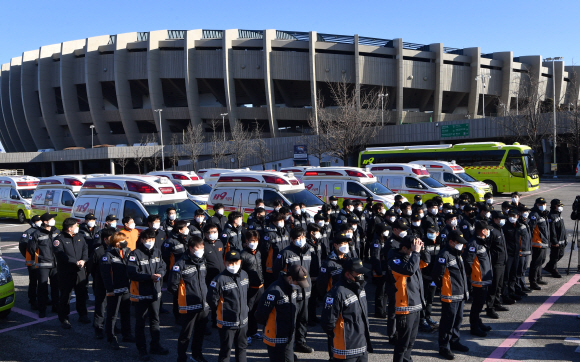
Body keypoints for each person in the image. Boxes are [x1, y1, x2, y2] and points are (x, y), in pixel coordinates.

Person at [127, 229, 169, 361]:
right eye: (147, 240)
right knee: (140, 323)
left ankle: (155, 345)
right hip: (140, 294)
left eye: (152, 240)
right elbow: (132, 274)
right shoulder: (135, 254)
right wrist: (149, 277)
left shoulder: (157, 252)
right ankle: (142, 349)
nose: (150, 242)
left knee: (155, 320)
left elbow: (163, 266)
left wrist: (160, 274)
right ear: (142, 240)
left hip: (155, 292)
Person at [321, 258, 373, 362]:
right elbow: (328, 323)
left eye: (362, 273)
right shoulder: (337, 293)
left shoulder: (360, 288)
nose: (361, 276)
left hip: (362, 346)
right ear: (348, 274)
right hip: (345, 350)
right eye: (358, 273)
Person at [168, 235, 210, 362]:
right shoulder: (180, 264)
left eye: (202, 247)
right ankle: (181, 357)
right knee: (186, 335)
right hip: (188, 306)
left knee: (200, 333)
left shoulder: (202, 261)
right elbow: (172, 286)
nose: (201, 250)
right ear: (191, 248)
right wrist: (183, 297)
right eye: (199, 248)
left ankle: (197, 354)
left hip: (203, 305)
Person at [274, 227, 314, 353]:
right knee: (291, 321)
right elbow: (277, 272)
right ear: (292, 239)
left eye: (303, 237)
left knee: (303, 320)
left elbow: (313, 270)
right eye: (298, 238)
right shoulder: (285, 253)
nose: (301, 240)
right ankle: (289, 347)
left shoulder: (309, 251)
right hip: (291, 294)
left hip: (306, 292)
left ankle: (300, 342)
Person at [432, 230, 470, 360]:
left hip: (460, 293)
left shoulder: (457, 253)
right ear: (451, 242)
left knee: (458, 320)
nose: (461, 245)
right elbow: (437, 275)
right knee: (448, 322)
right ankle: (444, 346)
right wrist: (445, 288)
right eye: (459, 243)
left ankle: (454, 341)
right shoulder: (445, 254)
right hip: (450, 294)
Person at [255, 264, 306, 362]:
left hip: (288, 337)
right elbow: (260, 315)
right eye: (298, 282)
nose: (299, 286)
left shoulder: (291, 287)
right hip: (276, 338)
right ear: (290, 278)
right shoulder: (274, 291)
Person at [208, 250, 250, 362]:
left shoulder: (244, 275)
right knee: (225, 351)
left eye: (235, 262)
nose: (233, 265)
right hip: (227, 323)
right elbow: (212, 300)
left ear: (240, 261)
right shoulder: (218, 280)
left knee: (242, 348)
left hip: (243, 321)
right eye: (230, 263)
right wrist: (223, 312)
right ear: (225, 263)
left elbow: (246, 294)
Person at [390, 237, 424, 362]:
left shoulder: (413, 257)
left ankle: (407, 360)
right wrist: (415, 253)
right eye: (412, 248)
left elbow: (426, 262)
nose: (415, 250)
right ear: (404, 248)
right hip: (404, 307)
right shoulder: (395, 260)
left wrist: (421, 250)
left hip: (416, 304)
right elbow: (408, 270)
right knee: (402, 343)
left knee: (411, 341)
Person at [100, 230, 135, 349]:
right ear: (116, 242)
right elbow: (105, 274)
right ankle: (111, 337)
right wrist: (109, 289)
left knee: (126, 312)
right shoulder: (107, 255)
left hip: (126, 287)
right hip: (114, 289)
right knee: (112, 314)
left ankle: (127, 334)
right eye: (122, 240)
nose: (125, 242)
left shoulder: (127, 252)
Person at [53, 217, 90, 329]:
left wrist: (83, 260)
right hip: (66, 272)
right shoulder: (59, 240)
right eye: (75, 226)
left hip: (80, 271)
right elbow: (61, 255)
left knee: (81, 293)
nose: (77, 227)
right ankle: (64, 318)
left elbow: (85, 249)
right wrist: (75, 262)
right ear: (69, 228)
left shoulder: (80, 236)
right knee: (65, 296)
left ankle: (82, 315)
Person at [28, 213, 60, 318]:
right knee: (42, 288)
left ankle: (56, 306)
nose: (53, 220)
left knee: (55, 287)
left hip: (55, 264)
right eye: (51, 219)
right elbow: (31, 249)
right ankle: (42, 310)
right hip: (43, 264)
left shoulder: (56, 231)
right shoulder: (37, 234)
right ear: (45, 222)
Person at [464, 221, 493, 335]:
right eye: (487, 229)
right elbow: (468, 261)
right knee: (477, 304)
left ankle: (478, 322)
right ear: (482, 231)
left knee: (480, 304)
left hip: (483, 278)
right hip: (478, 279)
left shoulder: (481, 241)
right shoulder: (473, 244)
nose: (488, 231)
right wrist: (471, 274)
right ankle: (474, 327)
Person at [240, 230, 264, 345]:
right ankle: (246, 334)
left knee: (256, 311)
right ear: (246, 241)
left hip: (260, 287)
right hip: (249, 288)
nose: (253, 243)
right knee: (247, 312)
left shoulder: (259, 252)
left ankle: (254, 331)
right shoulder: (243, 255)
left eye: (255, 241)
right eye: (251, 241)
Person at [486, 211, 510, 319]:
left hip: (502, 261)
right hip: (495, 263)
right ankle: (489, 308)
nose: (502, 220)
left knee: (499, 285)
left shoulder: (500, 229)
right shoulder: (491, 230)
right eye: (500, 218)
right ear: (495, 219)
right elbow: (488, 247)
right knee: (493, 286)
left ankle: (497, 303)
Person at [87, 226, 109, 339]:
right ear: (105, 239)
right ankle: (98, 328)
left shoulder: (116, 249)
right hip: (100, 282)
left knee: (112, 307)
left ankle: (111, 327)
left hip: (112, 284)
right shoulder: (98, 251)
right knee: (100, 306)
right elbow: (91, 266)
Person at [203, 223, 225, 329]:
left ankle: (216, 319)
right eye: (211, 232)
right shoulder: (203, 246)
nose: (214, 234)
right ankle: (205, 323)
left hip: (220, 276)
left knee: (219, 299)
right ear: (206, 234)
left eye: (215, 232)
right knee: (209, 300)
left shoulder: (220, 243)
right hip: (209, 278)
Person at [419, 223, 439, 333]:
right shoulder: (423, 243)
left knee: (430, 299)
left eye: (433, 233)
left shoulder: (441, 242)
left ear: (437, 234)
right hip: (424, 276)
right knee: (424, 299)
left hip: (434, 276)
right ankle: (422, 320)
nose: (430, 234)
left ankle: (428, 316)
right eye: (429, 232)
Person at [262, 212, 290, 287]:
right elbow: (264, 250)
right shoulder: (269, 234)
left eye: (282, 220)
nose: (281, 222)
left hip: (284, 264)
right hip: (272, 265)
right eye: (279, 220)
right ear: (274, 222)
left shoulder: (285, 231)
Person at [19, 215, 41, 310]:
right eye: (38, 221)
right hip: (32, 262)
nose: (40, 222)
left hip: (42, 261)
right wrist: (29, 256)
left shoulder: (42, 231)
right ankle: (33, 300)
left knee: (42, 281)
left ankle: (44, 298)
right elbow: (23, 247)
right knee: (33, 282)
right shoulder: (28, 233)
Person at [502, 209, 524, 304]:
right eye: (510, 216)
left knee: (513, 275)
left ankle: (512, 292)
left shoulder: (518, 226)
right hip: (508, 254)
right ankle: (505, 295)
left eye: (514, 216)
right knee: (506, 276)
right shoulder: (505, 227)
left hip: (516, 254)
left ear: (518, 217)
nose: (512, 218)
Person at [528, 197, 551, 290]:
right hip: (537, 243)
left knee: (541, 261)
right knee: (535, 263)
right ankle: (532, 281)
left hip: (544, 242)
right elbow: (531, 228)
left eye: (544, 204)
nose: (543, 206)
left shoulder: (543, 214)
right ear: (536, 204)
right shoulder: (534, 214)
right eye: (541, 204)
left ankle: (538, 278)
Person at [370, 224, 391, 318]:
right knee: (380, 293)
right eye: (384, 230)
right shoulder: (376, 242)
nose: (387, 232)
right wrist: (378, 271)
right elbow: (375, 258)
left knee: (385, 292)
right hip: (380, 271)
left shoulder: (385, 241)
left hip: (385, 270)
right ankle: (378, 311)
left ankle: (383, 309)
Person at [306, 223, 324, 326]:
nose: (319, 233)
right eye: (317, 231)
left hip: (318, 272)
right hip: (310, 274)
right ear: (311, 232)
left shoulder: (317, 242)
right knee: (309, 298)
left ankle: (313, 316)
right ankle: (308, 319)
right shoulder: (307, 244)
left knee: (314, 298)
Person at [545, 199, 567, 278]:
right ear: (554, 206)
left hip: (561, 240)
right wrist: (554, 241)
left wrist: (565, 239)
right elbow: (552, 230)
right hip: (556, 241)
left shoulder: (558, 214)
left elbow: (562, 228)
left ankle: (549, 266)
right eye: (559, 206)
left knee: (560, 254)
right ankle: (554, 270)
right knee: (555, 256)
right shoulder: (551, 216)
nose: (560, 207)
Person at [516, 206, 532, 294]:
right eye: (524, 211)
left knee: (524, 269)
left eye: (527, 211)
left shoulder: (526, 222)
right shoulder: (518, 223)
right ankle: (518, 287)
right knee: (519, 270)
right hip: (521, 251)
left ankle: (523, 285)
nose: (526, 213)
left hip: (527, 250)